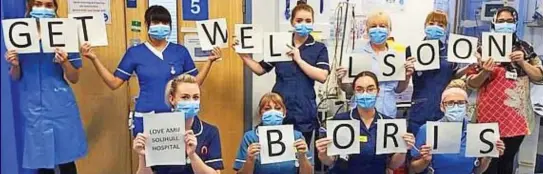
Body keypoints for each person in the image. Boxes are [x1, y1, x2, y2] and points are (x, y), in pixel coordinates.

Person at [81, 5, 221, 137]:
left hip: (176, 118)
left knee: (177, 161)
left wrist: (210, 61)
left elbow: (194, 83)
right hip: (146, 118)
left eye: (165, 23)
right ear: (147, 25)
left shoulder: (180, 52)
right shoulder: (135, 53)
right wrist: (94, 59)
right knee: (146, 161)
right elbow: (114, 83)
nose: (161, 26)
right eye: (156, 22)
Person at [3, 0, 88, 173]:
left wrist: (64, 62)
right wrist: (15, 64)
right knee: (42, 163)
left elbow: (74, 77)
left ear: (55, 8)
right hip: (33, 108)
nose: (43, 9)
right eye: (39, 3)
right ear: (29, 7)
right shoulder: (19, 33)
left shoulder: (65, 34)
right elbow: (15, 76)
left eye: (49, 5)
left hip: (60, 106)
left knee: (66, 162)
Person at [233, 1, 329, 143]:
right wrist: (242, 54)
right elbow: (260, 69)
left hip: (304, 111)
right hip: (278, 110)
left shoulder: (319, 48)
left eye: (308, 21)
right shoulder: (280, 44)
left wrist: (299, 59)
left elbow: (322, 76)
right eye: (299, 20)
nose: (303, 24)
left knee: (300, 156)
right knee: (276, 155)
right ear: (292, 22)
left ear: (313, 22)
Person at [467, 6, 543, 174]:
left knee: (507, 161)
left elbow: (540, 77)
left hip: (515, 118)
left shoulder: (525, 48)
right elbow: (471, 83)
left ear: (516, 23)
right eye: (501, 21)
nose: (505, 24)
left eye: (509, 21)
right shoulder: (482, 48)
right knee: (486, 163)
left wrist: (523, 63)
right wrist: (485, 71)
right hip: (487, 117)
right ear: (494, 23)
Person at [315, 71, 416, 174]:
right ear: (354, 92)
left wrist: (403, 149)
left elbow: (392, 165)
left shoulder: (388, 124)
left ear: (378, 91)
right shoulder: (340, 121)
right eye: (359, 89)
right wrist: (323, 154)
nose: (365, 93)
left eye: (370, 89)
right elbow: (330, 161)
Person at [132, 74, 223, 174]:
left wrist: (192, 155)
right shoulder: (155, 130)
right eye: (185, 97)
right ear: (172, 99)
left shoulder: (210, 132)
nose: (191, 102)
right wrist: (142, 155)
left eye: (196, 97)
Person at [410, 80, 506, 174]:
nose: (456, 106)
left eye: (460, 103)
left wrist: (488, 156)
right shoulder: (427, 130)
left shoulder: (476, 132)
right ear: (442, 107)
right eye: (450, 103)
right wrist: (425, 160)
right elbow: (414, 169)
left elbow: (478, 171)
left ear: (466, 106)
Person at [337, 11, 415, 118]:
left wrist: (407, 76)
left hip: (387, 110)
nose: (378, 29)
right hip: (361, 110)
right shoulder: (358, 53)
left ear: (389, 30)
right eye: (373, 26)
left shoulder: (396, 55)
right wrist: (341, 79)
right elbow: (349, 89)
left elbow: (398, 89)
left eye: (382, 26)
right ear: (367, 30)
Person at [407, 11, 472, 135]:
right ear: (425, 25)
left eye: (441, 25)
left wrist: (469, 68)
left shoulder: (450, 51)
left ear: (445, 29)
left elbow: (453, 75)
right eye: (432, 23)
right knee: (417, 148)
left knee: (442, 146)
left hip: (445, 106)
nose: (435, 27)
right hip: (421, 106)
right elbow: (405, 76)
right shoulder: (413, 50)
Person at [233, 92, 313, 174]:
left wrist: (302, 157)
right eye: (267, 109)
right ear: (260, 113)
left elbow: (309, 172)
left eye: (278, 108)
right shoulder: (250, 137)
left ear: (284, 113)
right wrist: (250, 160)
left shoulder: (296, 136)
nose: (273, 112)